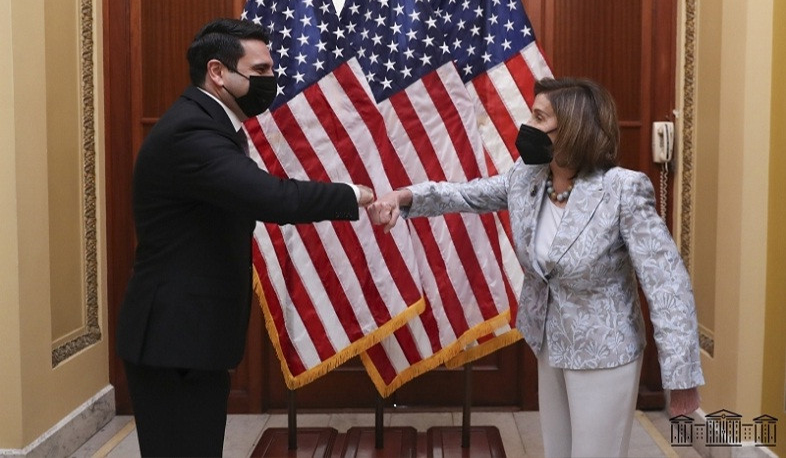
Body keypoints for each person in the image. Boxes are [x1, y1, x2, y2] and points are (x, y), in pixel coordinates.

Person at [368, 77, 704, 458]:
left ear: (572, 130)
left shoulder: (622, 190)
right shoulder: (527, 177)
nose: (526, 124)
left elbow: (666, 283)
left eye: (539, 116)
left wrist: (681, 374)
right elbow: (465, 194)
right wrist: (406, 196)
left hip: (604, 352)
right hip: (550, 342)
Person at [116, 18, 373, 457]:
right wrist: (352, 195)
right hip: (174, 339)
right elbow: (271, 197)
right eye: (259, 72)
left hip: (190, 336)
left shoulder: (208, 123)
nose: (270, 81)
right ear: (217, 72)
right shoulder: (191, 133)